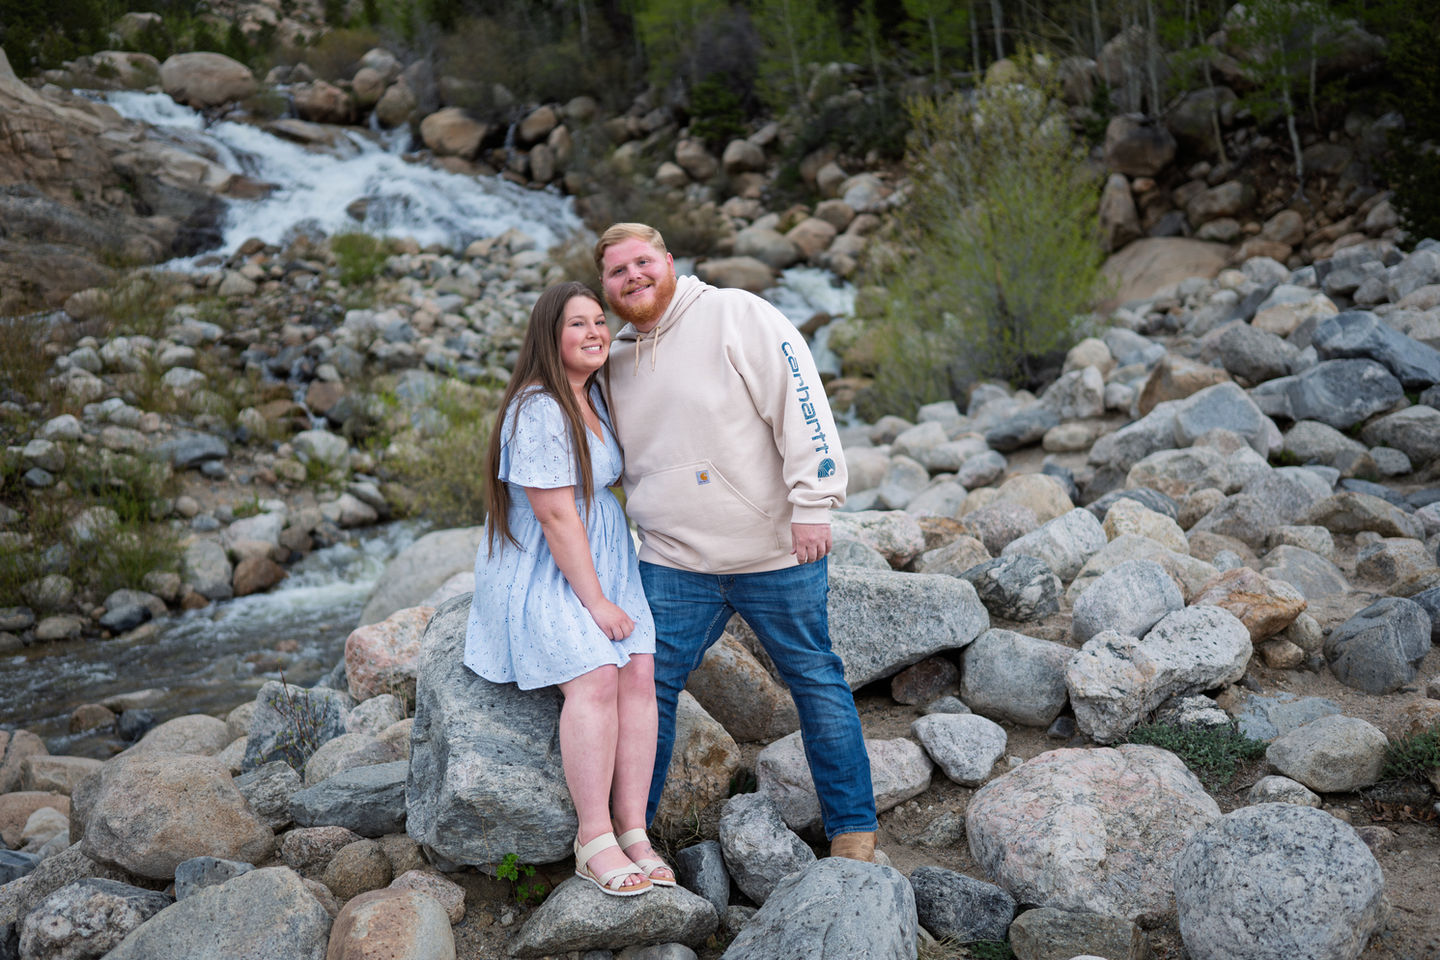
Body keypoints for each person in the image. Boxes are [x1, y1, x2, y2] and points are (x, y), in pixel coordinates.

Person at [595, 223, 878, 861]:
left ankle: (854, 834)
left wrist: (814, 502)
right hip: (672, 561)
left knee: (814, 678)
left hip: (774, 550)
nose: (633, 276)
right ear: (607, 287)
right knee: (646, 686)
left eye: (643, 262)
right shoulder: (612, 359)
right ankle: (631, 837)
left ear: (669, 261)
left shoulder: (736, 314)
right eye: (618, 271)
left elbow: (802, 403)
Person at [463, 281, 675, 896]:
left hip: (603, 553)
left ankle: (635, 831)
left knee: (639, 671)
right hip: (543, 567)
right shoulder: (538, 408)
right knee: (595, 676)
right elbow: (556, 517)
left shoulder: (594, 396)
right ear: (548, 337)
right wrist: (599, 603)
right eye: (577, 324)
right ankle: (594, 838)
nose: (594, 333)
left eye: (599, 322)